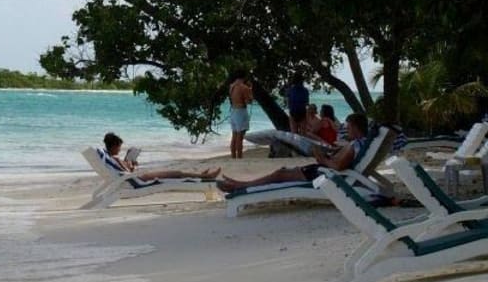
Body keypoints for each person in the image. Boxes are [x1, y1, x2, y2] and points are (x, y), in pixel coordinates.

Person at [215, 113, 369, 193]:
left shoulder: (353, 146)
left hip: (324, 174)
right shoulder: (360, 144)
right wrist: (330, 154)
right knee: (282, 172)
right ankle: (239, 184)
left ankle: (240, 186)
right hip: (324, 171)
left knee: (280, 175)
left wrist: (322, 158)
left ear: (356, 127)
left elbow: (338, 167)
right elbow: (340, 162)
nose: (346, 130)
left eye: (348, 127)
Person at [103, 133, 220, 181]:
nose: (119, 149)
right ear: (113, 146)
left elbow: (126, 172)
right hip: (142, 177)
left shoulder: (111, 159)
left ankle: (201, 175)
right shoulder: (116, 159)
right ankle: (204, 176)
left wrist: (130, 164)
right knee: (177, 173)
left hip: (139, 176)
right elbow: (129, 173)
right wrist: (130, 165)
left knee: (177, 173)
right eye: (119, 146)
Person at [228, 69, 253, 159]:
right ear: (244, 77)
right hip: (241, 111)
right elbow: (248, 101)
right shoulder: (244, 87)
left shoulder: (231, 86)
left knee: (234, 135)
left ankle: (233, 157)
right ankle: (239, 157)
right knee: (240, 137)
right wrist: (250, 90)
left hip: (233, 111)